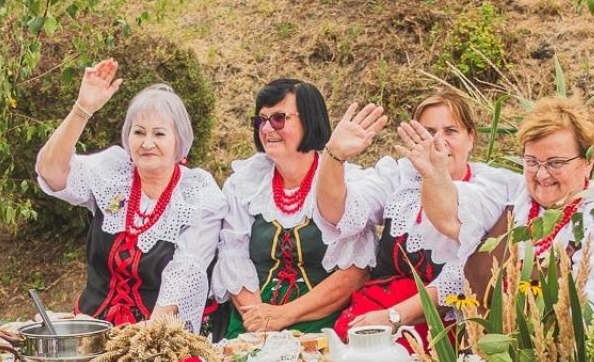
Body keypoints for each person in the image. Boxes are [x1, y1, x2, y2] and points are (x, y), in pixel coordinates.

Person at [35, 60, 227, 332]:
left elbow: (186, 272)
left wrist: (132, 340)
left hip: (159, 338)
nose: (147, 143)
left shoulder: (197, 195)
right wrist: (83, 109)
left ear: (179, 141)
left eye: (159, 134)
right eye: (138, 132)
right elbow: (51, 171)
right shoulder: (113, 174)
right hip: (92, 330)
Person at [313, 89, 517, 341]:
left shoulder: (492, 189)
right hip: (378, 307)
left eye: (450, 131)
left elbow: (462, 274)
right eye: (429, 132)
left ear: (471, 138)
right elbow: (338, 214)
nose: (439, 142)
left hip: (442, 323)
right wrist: (334, 156)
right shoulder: (400, 178)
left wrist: (393, 317)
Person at [213, 79, 371, 337]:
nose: (266, 129)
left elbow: (355, 272)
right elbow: (233, 257)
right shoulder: (245, 183)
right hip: (252, 322)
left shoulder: (344, 183)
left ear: (309, 121)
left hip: (321, 322)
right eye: (260, 120)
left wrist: (284, 316)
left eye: (278, 119)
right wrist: (259, 318)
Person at [466, 95, 594, 310]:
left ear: (588, 161)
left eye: (555, 163)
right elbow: (451, 207)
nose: (541, 174)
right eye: (531, 162)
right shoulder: (513, 193)